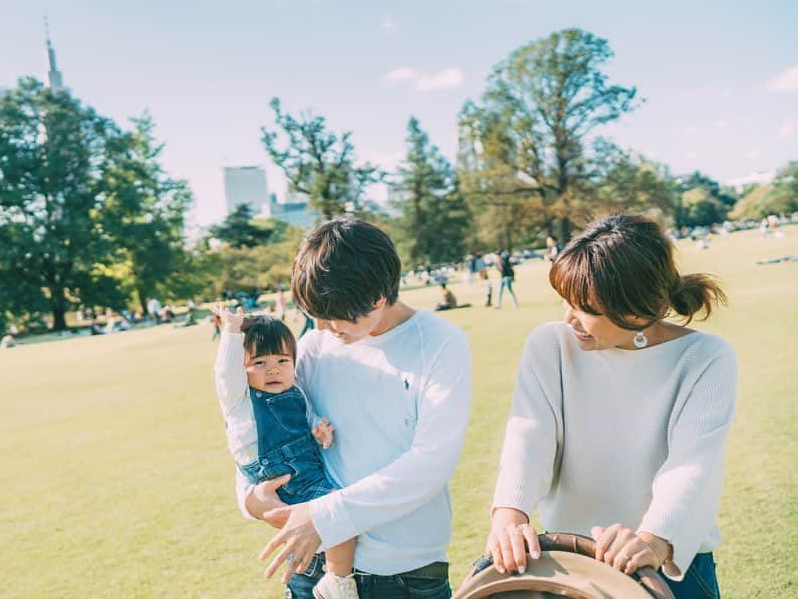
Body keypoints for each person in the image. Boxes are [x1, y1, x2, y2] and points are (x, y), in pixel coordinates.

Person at [484, 214, 735, 598]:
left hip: (668, 569)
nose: (570, 319)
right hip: (571, 567)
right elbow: (528, 439)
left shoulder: (705, 358)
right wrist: (509, 517)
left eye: (586, 309)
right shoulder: (550, 345)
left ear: (635, 311)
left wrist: (652, 541)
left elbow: (692, 465)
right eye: (565, 302)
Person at [238, 218, 472, 598]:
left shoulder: (441, 344)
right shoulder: (314, 348)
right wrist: (250, 498)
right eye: (315, 313)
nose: (323, 326)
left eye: (333, 314)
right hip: (313, 570)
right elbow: (263, 428)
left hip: (406, 574)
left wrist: (325, 517)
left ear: (378, 298)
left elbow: (432, 462)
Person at [212, 307, 358, 599]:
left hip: (307, 470)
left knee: (330, 522)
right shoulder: (239, 400)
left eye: (282, 360)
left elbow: (308, 417)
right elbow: (225, 374)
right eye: (259, 363)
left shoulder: (296, 392)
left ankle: (326, 576)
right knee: (336, 517)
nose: (273, 369)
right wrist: (231, 331)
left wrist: (319, 430)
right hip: (275, 475)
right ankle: (338, 581)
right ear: (242, 369)